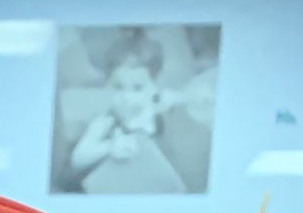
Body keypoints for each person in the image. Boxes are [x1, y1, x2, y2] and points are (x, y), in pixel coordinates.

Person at [63, 29, 212, 197]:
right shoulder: (106, 122)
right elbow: (77, 159)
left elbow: (186, 99)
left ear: (153, 86)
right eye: (118, 87)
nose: (127, 98)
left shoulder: (160, 108)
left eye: (138, 88)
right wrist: (109, 147)